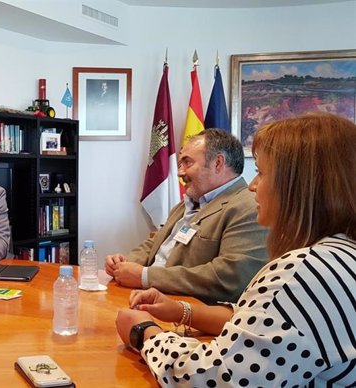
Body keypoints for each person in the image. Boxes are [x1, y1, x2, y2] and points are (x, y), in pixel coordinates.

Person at [116, 112, 356, 387]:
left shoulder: (305, 272)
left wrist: (145, 333)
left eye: (262, 173)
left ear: (300, 187)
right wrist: (181, 311)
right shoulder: (339, 255)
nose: (253, 186)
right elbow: (261, 319)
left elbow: (214, 377)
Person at [106, 128, 268, 303]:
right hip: (148, 299)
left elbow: (230, 278)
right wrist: (123, 263)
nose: (180, 172)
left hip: (185, 313)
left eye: (187, 163)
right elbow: (156, 244)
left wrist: (146, 276)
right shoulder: (187, 203)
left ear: (218, 163)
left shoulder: (249, 207)